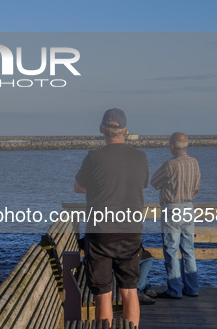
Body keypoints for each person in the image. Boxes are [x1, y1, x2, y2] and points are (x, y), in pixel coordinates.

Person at [74, 108, 149, 326]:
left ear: (101, 130)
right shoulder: (140, 157)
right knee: (129, 290)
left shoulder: (93, 157)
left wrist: (99, 189)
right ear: (126, 131)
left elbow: (78, 187)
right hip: (131, 232)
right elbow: (139, 184)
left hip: (101, 234)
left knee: (102, 294)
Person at [151, 132, 200, 299]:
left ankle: (174, 290)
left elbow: (154, 182)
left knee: (171, 249)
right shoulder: (194, 163)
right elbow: (197, 187)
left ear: (172, 146)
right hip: (188, 207)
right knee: (188, 249)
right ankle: (192, 288)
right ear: (186, 146)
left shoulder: (170, 165)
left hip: (172, 208)